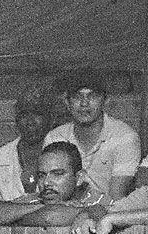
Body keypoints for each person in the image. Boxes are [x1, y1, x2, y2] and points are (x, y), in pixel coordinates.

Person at [42, 71, 139, 200]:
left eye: (92, 96)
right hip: (62, 211)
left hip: (106, 214)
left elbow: (116, 195)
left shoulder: (124, 137)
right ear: (67, 102)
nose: (84, 103)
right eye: (77, 97)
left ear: (105, 100)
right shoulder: (55, 137)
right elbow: (48, 190)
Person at [0, 141, 107, 226]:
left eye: (57, 174)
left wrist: (15, 218)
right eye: (41, 175)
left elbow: (50, 217)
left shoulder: (100, 201)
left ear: (79, 178)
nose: (46, 182)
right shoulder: (38, 199)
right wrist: (41, 207)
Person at [0, 86, 53, 202]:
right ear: (16, 120)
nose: (30, 122)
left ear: (50, 119)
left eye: (37, 114)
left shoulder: (64, 155)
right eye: (24, 115)